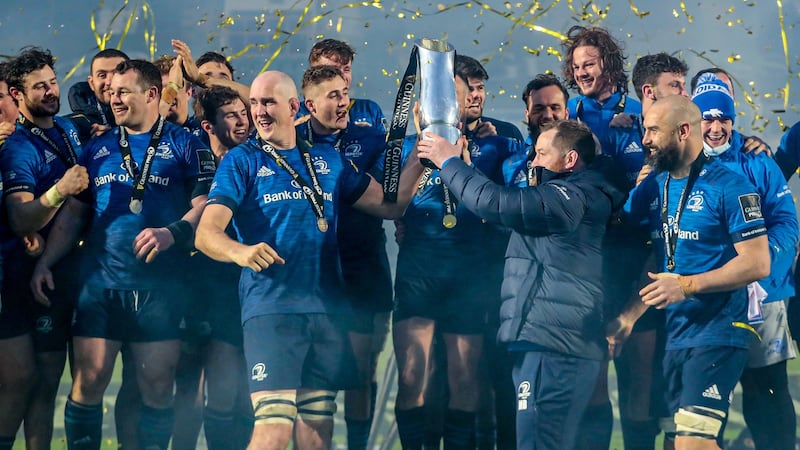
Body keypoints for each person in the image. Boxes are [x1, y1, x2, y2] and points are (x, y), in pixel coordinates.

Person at [194, 70, 422, 450]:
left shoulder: (329, 160)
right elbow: (206, 234)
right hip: (273, 310)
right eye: (254, 103)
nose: (259, 112)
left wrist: (422, 156)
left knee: (318, 429)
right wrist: (242, 251)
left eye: (268, 102)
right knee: (274, 428)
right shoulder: (241, 161)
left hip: (327, 309)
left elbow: (388, 204)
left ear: (293, 107)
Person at [29, 58, 215, 450]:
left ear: (151, 94)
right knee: (89, 382)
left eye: (123, 92)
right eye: (111, 92)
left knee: (157, 388)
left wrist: (171, 233)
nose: (114, 99)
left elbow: (205, 208)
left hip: (162, 289)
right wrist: (46, 262)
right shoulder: (97, 148)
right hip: (102, 285)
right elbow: (75, 215)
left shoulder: (187, 145)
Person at [416, 119, 627, 450]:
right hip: (548, 341)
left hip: (554, 345)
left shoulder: (569, 197)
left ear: (570, 160)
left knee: (538, 442)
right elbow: (505, 212)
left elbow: (495, 203)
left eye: (542, 153)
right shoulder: (569, 196)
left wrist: (448, 162)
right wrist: (468, 170)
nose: (534, 161)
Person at [625, 95, 771, 450]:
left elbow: (757, 262)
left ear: (684, 131)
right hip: (676, 334)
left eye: (653, 130)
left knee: (694, 443)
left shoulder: (731, 186)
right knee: (675, 442)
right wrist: (628, 317)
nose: (645, 139)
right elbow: (658, 258)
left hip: (720, 330)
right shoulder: (656, 185)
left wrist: (688, 286)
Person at [391, 74, 523, 450]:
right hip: (419, 271)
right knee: (412, 377)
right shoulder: (404, 148)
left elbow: (506, 201)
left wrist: (467, 166)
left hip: (468, 276)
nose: (447, 108)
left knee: (465, 380)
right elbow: (392, 205)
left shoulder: (498, 145)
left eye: (456, 99)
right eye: (438, 102)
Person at [691, 73, 798, 450]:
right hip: (705, 301)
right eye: (708, 119)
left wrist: (759, 269)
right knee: (704, 402)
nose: (716, 127)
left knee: (767, 394)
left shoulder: (757, 160)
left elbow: (786, 222)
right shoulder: (679, 161)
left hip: (762, 299)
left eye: (724, 118)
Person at [296, 65, 391, 450]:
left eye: (344, 92)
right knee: (314, 376)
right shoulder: (290, 137)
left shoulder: (369, 137)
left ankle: (358, 445)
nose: (343, 101)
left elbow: (389, 196)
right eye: (333, 94)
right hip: (312, 270)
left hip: (362, 263)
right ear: (309, 103)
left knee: (360, 368)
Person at [0, 47, 88, 450]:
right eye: (40, 87)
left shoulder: (70, 128)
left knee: (51, 381)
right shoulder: (18, 146)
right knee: (30, 380)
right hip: (28, 279)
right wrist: (57, 192)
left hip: (67, 269)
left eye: (53, 82)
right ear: (17, 95)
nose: (52, 91)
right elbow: (21, 220)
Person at [299, 38, 385, 132]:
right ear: (313, 73)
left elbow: (394, 144)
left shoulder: (369, 110)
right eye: (332, 70)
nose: (342, 77)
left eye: (346, 69)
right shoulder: (294, 114)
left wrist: (369, 140)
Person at [454, 54, 523, 141]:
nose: (476, 95)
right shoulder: (436, 137)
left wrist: (496, 144)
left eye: (480, 88)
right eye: (469, 89)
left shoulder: (508, 133)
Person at [67, 48, 129, 141]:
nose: (109, 82)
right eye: (102, 75)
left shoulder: (152, 113)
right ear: (91, 83)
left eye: (117, 74)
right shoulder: (77, 127)